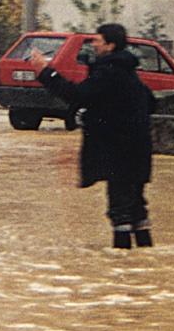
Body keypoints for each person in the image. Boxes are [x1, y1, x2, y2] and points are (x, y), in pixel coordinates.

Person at [29, 23, 154, 249]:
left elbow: (76, 94)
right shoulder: (130, 74)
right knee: (136, 207)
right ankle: (145, 259)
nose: (93, 44)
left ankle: (123, 266)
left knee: (120, 210)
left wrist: (45, 72)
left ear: (110, 45)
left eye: (97, 40)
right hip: (138, 149)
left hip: (119, 151)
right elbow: (150, 102)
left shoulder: (109, 73)